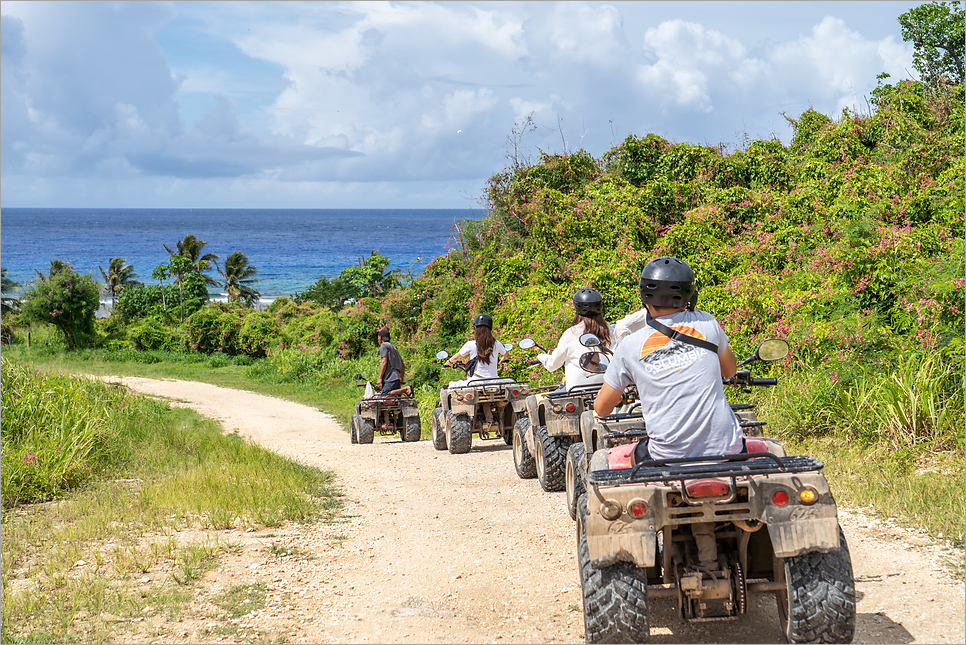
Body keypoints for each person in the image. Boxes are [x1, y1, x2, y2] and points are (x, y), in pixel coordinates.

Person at [592, 256, 740, 570]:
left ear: (645, 296)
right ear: (689, 294)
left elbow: (601, 408)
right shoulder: (708, 324)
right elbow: (730, 370)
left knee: (605, 462)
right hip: (727, 451)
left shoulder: (630, 346)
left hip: (666, 457)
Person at [535, 288, 612, 390]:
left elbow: (552, 364)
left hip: (578, 392)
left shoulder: (571, 334)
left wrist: (541, 357)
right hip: (606, 390)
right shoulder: (609, 330)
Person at [443, 314, 508, 425]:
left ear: (476, 329)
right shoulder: (497, 344)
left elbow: (457, 357)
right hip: (495, 382)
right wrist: (501, 360)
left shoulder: (471, 344)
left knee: (449, 388)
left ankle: (448, 423)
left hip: (476, 383)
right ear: (490, 329)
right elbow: (506, 355)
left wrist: (447, 363)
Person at [375, 328, 412, 396]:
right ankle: (403, 390)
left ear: (380, 338)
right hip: (396, 378)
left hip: (390, 379)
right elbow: (402, 364)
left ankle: (405, 389)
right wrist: (401, 378)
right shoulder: (394, 347)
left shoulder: (384, 345)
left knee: (384, 397)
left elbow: (384, 361)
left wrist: (379, 378)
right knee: (394, 402)